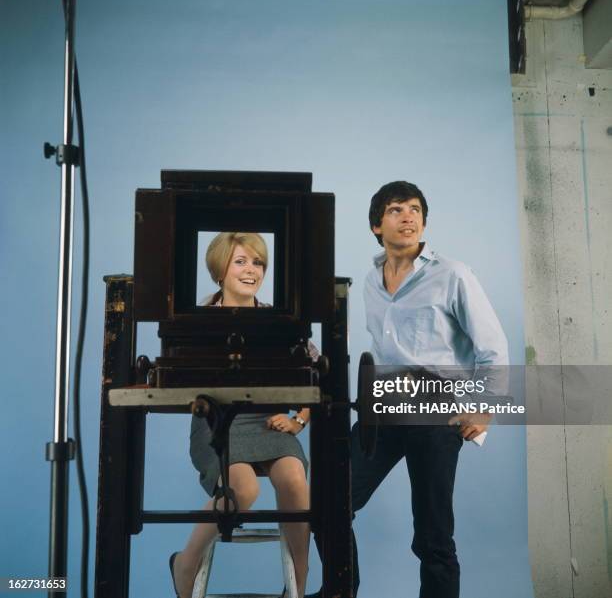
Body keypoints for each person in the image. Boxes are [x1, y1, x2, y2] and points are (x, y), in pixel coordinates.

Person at [308, 181, 508, 598]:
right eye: (397, 210)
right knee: (328, 504)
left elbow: (493, 347)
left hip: (438, 410)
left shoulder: (452, 274)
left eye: (415, 209)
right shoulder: (370, 280)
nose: (408, 217)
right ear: (375, 225)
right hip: (384, 409)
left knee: (433, 536)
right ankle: (342, 591)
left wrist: (483, 408)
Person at [170, 232, 311, 598]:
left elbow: (318, 371)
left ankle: (298, 580)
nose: (252, 270)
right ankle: (185, 562)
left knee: (295, 479)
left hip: (268, 421)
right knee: (243, 489)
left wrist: (300, 419)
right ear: (220, 270)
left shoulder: (279, 318)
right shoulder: (199, 318)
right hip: (218, 423)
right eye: (241, 261)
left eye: (258, 262)